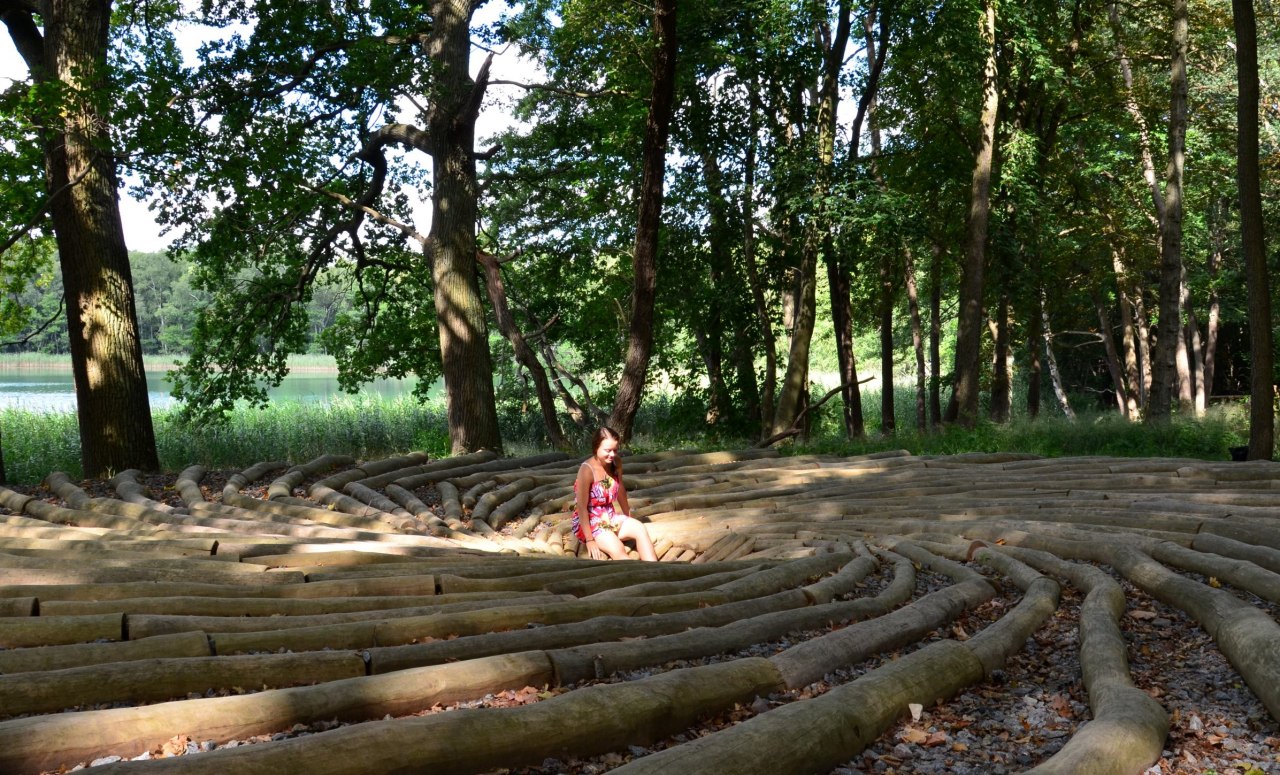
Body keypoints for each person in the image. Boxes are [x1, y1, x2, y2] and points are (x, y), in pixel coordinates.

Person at [572, 426, 658, 561]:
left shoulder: (616, 462)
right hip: (591, 521)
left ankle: (654, 568)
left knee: (640, 528)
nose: (612, 454)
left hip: (609, 515)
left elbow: (620, 489)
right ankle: (637, 572)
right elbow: (581, 507)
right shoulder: (586, 470)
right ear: (596, 448)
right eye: (608, 450)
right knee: (618, 548)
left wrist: (627, 515)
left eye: (615, 450)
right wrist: (589, 540)